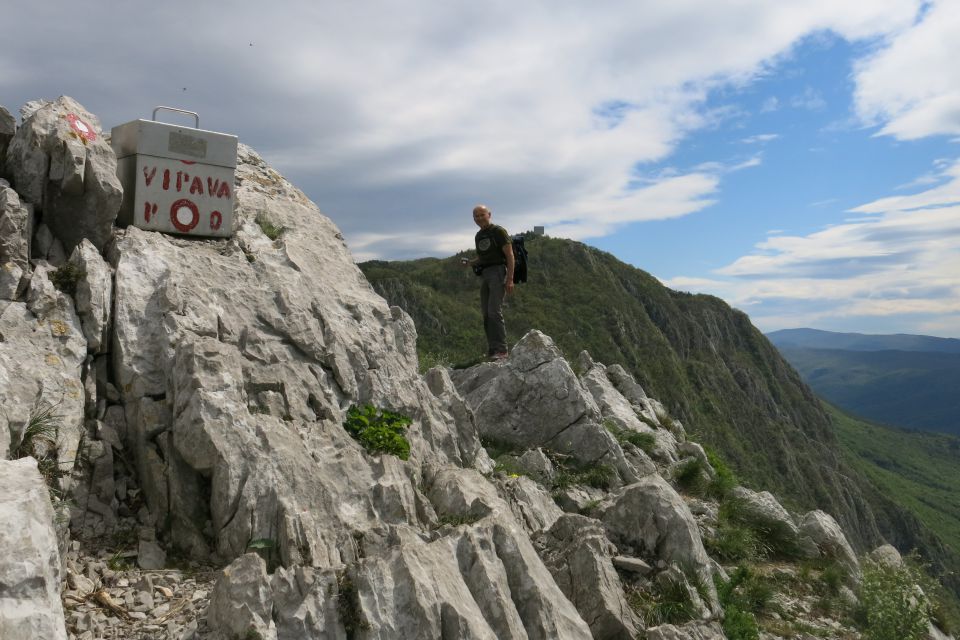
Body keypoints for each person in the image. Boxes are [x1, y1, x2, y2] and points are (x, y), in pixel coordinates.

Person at [465, 204, 514, 360]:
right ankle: (493, 350)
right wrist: (470, 263)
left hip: (498, 272)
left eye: (482, 214)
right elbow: (482, 258)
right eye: (476, 216)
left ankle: (502, 350)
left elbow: (510, 255)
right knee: (486, 314)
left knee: (494, 311)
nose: (479, 218)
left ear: (489, 214)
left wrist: (510, 279)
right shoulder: (479, 236)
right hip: (486, 274)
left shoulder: (498, 232)